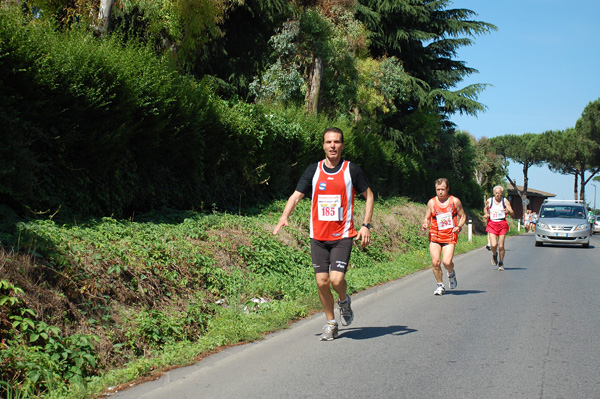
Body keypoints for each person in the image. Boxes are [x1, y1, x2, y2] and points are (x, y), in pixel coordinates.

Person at [273, 127, 374, 341]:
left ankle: (344, 301)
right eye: (329, 142)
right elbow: (296, 195)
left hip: (342, 235)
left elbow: (369, 195)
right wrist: (284, 216)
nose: (333, 146)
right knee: (321, 282)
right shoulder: (313, 170)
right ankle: (330, 322)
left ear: (342, 145)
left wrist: (366, 225)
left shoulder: (351, 170)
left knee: (336, 281)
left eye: (337, 142)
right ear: (323, 145)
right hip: (318, 237)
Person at [421, 178, 466, 295]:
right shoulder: (431, 202)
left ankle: (451, 273)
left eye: (443, 189)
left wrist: (459, 226)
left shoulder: (455, 201)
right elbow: (427, 216)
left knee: (446, 262)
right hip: (435, 235)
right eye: (438, 189)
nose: (440, 192)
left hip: (449, 236)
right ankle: (440, 285)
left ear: (448, 189)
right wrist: (426, 223)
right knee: (435, 262)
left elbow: (463, 216)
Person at [484, 185, 514, 271]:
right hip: (492, 224)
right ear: (494, 193)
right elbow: (485, 209)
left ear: (502, 193)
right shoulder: (490, 201)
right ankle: (494, 254)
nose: (497, 195)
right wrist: (486, 214)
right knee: (493, 244)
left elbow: (512, 212)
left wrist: (508, 211)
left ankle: (501, 262)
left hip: (502, 224)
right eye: (496, 193)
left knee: (501, 246)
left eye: (499, 193)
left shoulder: (505, 201)